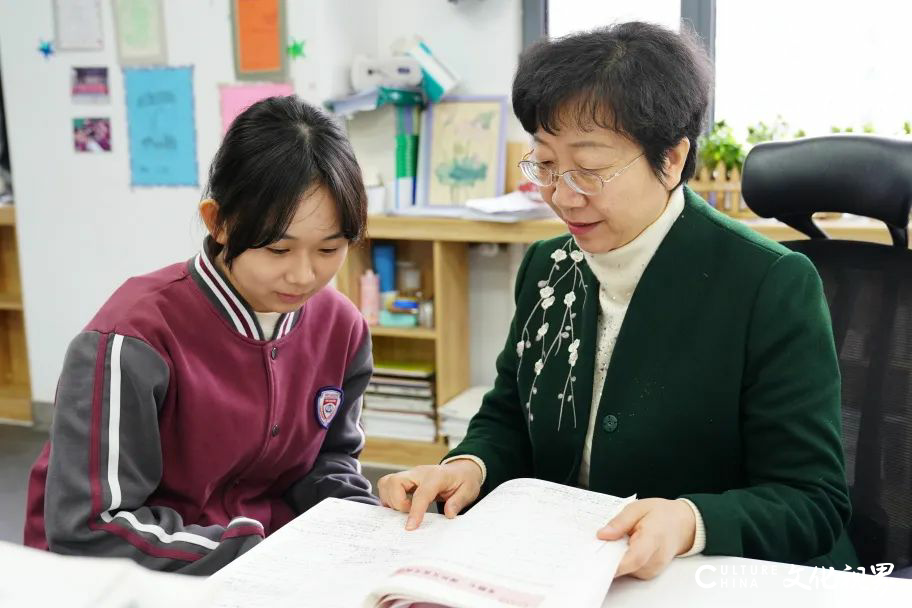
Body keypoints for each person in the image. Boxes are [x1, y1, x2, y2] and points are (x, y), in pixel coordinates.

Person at [379, 22, 858, 580]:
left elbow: (812, 501)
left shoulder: (769, 284)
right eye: (548, 165)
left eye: (589, 169)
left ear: (673, 160)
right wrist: (471, 464)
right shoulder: (547, 267)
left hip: (714, 578)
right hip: (565, 568)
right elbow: (509, 414)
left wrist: (690, 520)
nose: (562, 194)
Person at [25, 96, 379, 574]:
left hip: (270, 567)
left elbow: (330, 462)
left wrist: (364, 524)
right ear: (218, 222)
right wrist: (264, 558)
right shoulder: (131, 339)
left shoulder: (342, 328)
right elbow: (90, 528)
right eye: (278, 249)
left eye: (329, 249)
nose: (303, 275)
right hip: (131, 576)